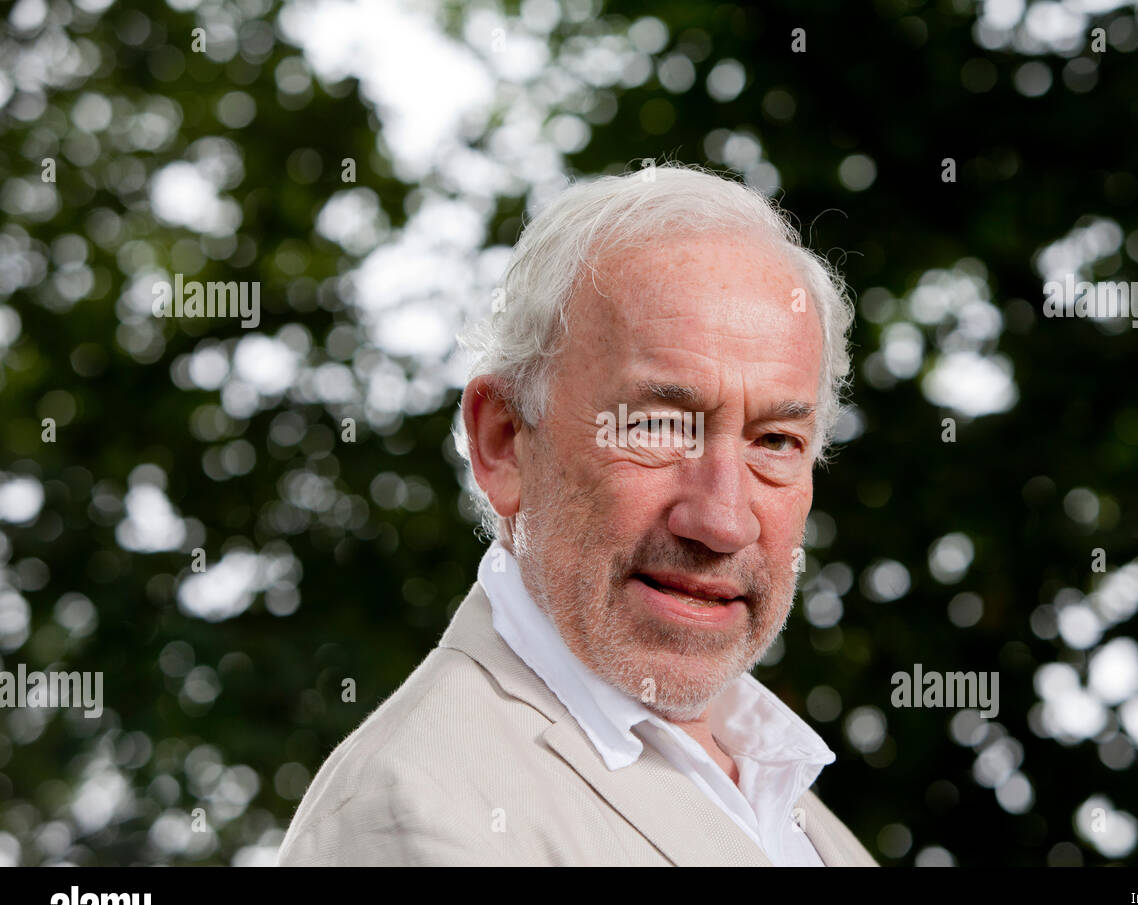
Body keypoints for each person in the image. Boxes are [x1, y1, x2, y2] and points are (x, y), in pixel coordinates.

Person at [278, 163, 876, 866]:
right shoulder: (417, 815)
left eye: (775, 441)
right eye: (656, 426)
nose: (722, 521)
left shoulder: (791, 800)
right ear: (503, 442)